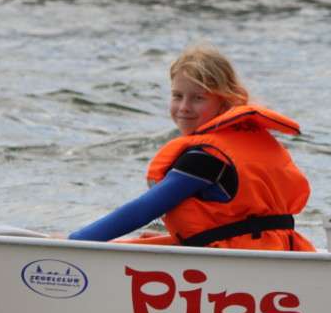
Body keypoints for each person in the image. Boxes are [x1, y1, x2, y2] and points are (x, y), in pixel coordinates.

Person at [69, 44, 315, 250]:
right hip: (276, 249)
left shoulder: (205, 159)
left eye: (198, 98)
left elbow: (144, 209)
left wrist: (75, 243)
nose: (184, 107)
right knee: (148, 240)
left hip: (244, 261)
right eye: (177, 96)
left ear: (225, 101)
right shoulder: (248, 141)